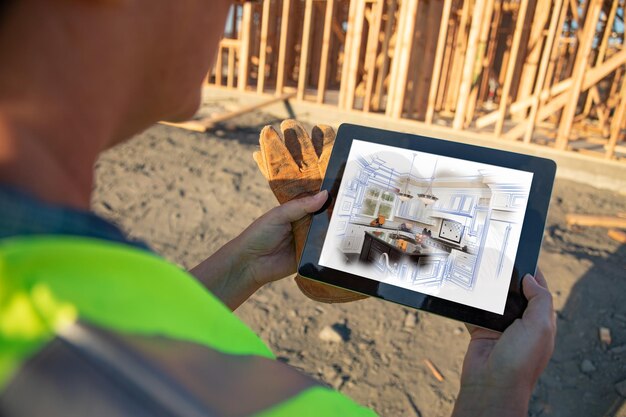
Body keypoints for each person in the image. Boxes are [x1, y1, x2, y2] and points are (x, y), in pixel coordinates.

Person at [0, 0, 556, 416]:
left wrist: (242, 265)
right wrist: (494, 392)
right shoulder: (158, 390)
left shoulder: (42, 277)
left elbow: (130, 320)